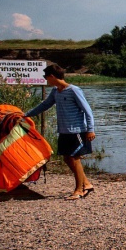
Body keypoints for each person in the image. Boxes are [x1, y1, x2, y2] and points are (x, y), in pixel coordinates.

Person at [26, 63, 97, 199]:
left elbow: (88, 111)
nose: (46, 81)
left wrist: (90, 130)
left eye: (46, 78)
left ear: (52, 76)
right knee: (67, 158)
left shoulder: (74, 90)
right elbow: (45, 105)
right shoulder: (55, 91)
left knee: (75, 159)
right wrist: (26, 115)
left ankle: (79, 190)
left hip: (77, 131)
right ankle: (86, 184)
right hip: (64, 131)